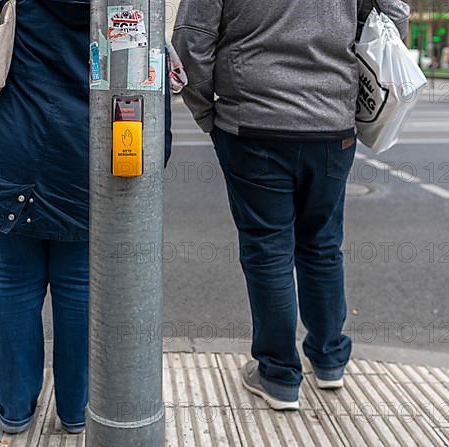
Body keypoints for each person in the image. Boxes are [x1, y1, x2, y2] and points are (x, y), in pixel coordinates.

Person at [0, 0, 172, 434]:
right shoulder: (126, 5)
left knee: (13, 282)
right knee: (80, 288)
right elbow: (147, 70)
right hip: (90, 159)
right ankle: (75, 411)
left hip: (12, 152)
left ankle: (14, 410)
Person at [173, 0, 409, 410]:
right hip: (332, 123)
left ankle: (279, 375)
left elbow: (193, 41)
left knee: (267, 250)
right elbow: (393, 17)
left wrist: (206, 113)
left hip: (252, 121)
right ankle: (329, 359)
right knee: (322, 244)